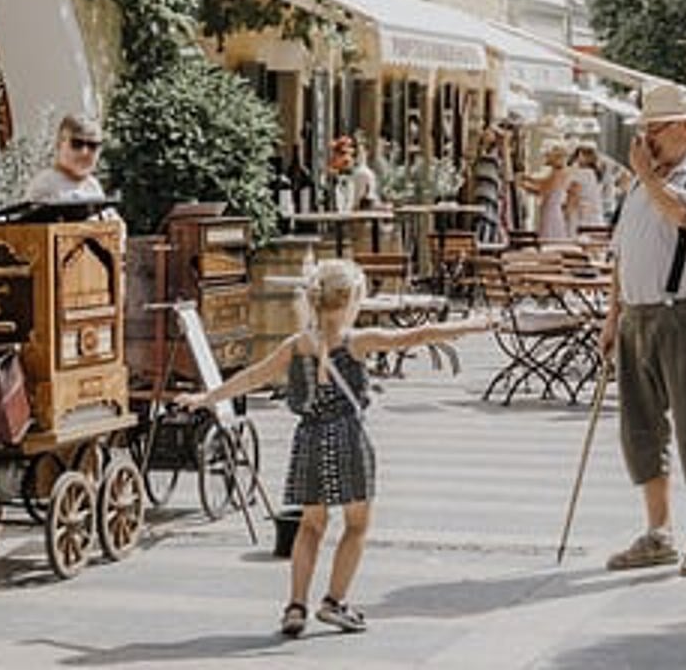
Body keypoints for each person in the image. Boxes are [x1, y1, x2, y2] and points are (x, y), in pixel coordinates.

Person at [175, 260, 489, 637]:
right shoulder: (358, 341)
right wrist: (474, 325)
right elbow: (421, 334)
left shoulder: (297, 344)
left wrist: (208, 397)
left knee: (310, 526)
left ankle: (295, 607)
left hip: (308, 438)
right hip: (349, 439)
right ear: (352, 300)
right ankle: (334, 602)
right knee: (356, 526)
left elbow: (254, 375)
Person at [597, 82, 686, 578]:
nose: (643, 142)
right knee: (640, 430)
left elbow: (685, 215)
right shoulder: (643, 179)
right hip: (638, 316)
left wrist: (645, 176)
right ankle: (658, 532)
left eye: (650, 132)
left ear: (682, 128)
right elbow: (621, 252)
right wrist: (613, 315)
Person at [22, 112, 106, 202]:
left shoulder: (93, 186)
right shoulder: (45, 185)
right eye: (77, 144)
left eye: (92, 145)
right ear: (59, 144)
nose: (84, 152)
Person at [521, 140, 574, 241]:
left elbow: (543, 188)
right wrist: (527, 180)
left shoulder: (558, 173)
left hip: (551, 212)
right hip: (550, 210)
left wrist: (524, 184)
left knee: (550, 237)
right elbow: (542, 184)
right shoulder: (558, 172)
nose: (546, 158)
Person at [470, 126, 508, 246]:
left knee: (489, 220)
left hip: (491, 194)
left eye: (489, 133)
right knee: (479, 221)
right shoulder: (479, 153)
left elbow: (506, 175)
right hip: (480, 194)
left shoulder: (497, 155)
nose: (485, 134)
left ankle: (488, 244)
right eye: (485, 132)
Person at [567, 143, 607, 232]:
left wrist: (566, 214)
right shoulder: (596, 174)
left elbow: (573, 197)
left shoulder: (580, 174)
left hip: (582, 218)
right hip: (596, 217)